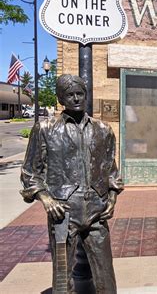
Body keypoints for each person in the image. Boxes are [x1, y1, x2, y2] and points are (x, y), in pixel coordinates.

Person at [20, 74, 123, 293]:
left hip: (97, 210)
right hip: (64, 213)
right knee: (62, 275)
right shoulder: (45, 129)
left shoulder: (103, 130)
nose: (76, 98)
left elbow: (110, 169)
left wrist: (112, 198)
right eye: (70, 94)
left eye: (80, 93)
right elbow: (30, 172)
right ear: (60, 99)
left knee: (105, 272)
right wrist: (46, 198)